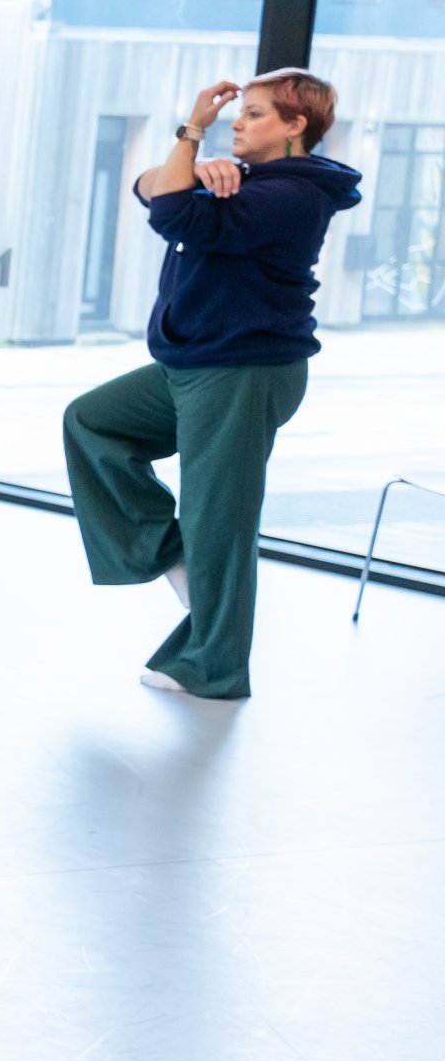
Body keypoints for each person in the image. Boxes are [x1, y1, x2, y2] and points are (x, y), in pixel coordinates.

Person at [62, 72, 359, 700]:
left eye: (254, 114)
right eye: (237, 114)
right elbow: (147, 188)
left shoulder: (295, 195)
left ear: (295, 125)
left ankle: (214, 667)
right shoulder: (249, 179)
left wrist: (193, 135)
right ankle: (172, 552)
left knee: (218, 516)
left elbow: (170, 213)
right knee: (92, 422)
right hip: (193, 363)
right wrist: (195, 167)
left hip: (244, 369)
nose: (238, 123)